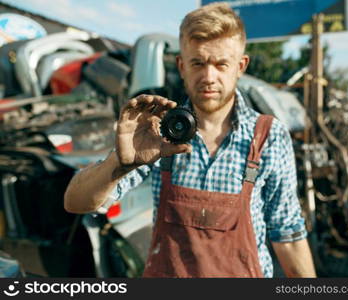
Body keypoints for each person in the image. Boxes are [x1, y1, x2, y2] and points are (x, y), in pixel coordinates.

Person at [64, 2, 316, 278]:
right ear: (182, 66)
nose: (209, 77)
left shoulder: (268, 136)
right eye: (198, 62)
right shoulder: (158, 131)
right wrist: (119, 164)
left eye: (221, 64)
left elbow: (288, 235)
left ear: (240, 65)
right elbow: (76, 202)